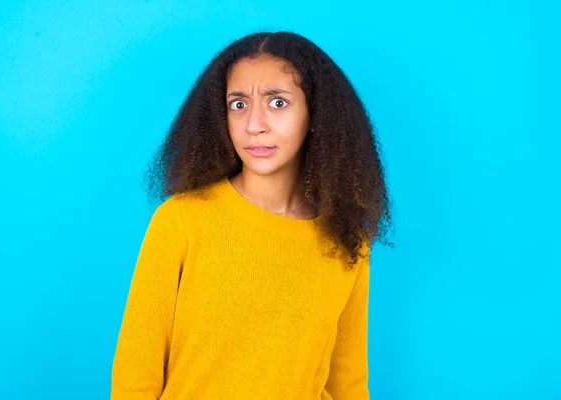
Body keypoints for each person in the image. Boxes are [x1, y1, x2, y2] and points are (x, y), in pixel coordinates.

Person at [111, 31, 392, 400]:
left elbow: (348, 382)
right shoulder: (181, 221)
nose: (254, 124)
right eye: (239, 104)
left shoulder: (346, 237)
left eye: (277, 102)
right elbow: (135, 375)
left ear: (315, 115)